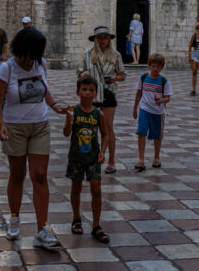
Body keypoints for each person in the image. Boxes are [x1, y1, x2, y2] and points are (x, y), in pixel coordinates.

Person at [0, 27, 68, 248]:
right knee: (17, 175)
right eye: (30, 55)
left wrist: (55, 106)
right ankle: (14, 219)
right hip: (14, 126)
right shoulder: (7, 69)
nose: (31, 61)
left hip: (40, 125)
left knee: (40, 175)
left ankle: (42, 228)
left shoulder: (40, 64)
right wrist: (1, 125)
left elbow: (44, 89)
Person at [63, 75, 110, 244]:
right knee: (76, 188)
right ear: (78, 92)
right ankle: (76, 218)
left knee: (96, 190)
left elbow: (105, 134)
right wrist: (69, 122)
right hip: (76, 157)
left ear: (96, 93)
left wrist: (103, 151)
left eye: (91, 90)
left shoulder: (99, 114)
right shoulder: (74, 111)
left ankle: (96, 225)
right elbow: (66, 133)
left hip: (93, 157)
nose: (88, 93)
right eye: (84, 89)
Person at [77, 26, 126, 174]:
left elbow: (123, 75)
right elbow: (79, 71)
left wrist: (114, 78)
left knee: (108, 127)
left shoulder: (116, 55)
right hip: (92, 94)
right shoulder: (88, 54)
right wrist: (83, 73)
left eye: (105, 38)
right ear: (96, 40)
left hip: (109, 93)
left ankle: (111, 161)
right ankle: (90, 159)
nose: (103, 40)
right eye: (100, 38)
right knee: (89, 127)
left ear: (109, 39)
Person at [132, 53, 172, 171]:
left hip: (158, 112)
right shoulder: (143, 78)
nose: (155, 69)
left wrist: (162, 100)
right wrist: (135, 108)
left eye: (158, 67)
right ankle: (141, 159)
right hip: (144, 109)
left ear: (161, 67)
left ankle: (156, 157)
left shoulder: (164, 81)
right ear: (149, 66)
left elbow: (168, 97)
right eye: (153, 66)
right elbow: (138, 93)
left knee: (157, 136)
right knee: (141, 133)